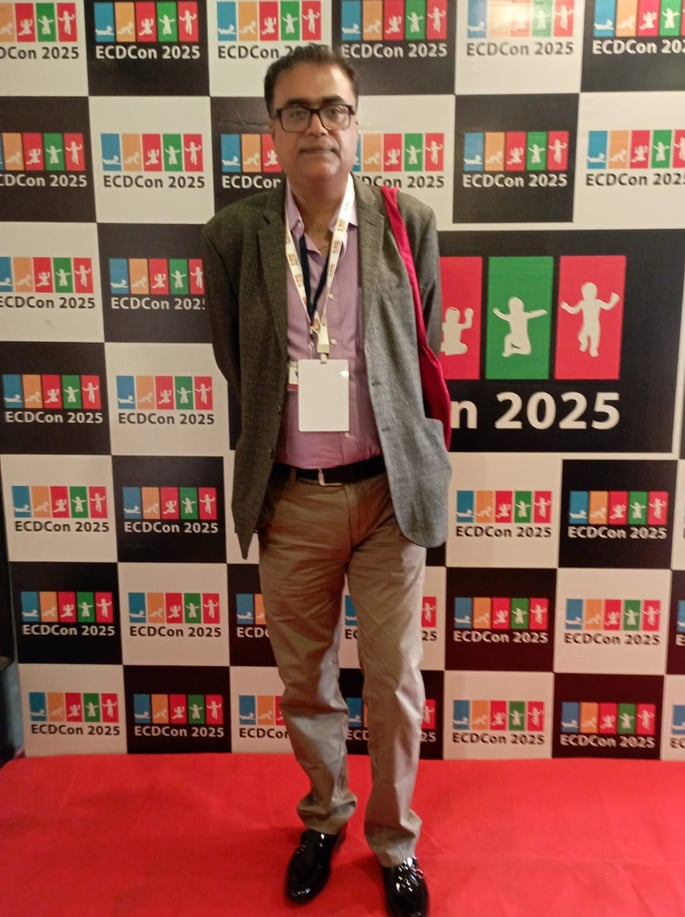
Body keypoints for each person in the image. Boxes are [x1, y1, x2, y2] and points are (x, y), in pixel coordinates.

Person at [201, 44, 451, 917]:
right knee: (306, 683)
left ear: (356, 122)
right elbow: (239, 361)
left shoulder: (407, 221)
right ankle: (325, 815)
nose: (318, 126)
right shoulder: (233, 235)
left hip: (387, 495)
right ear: (271, 130)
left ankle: (395, 842)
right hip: (291, 496)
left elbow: (421, 348)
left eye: (333, 109)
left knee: (394, 686)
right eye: (297, 111)